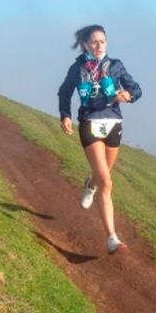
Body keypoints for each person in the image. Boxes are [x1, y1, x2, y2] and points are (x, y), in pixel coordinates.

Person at [57, 24, 142, 254]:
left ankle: (89, 185)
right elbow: (64, 92)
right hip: (90, 123)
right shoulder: (78, 68)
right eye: (94, 42)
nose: (99, 45)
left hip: (114, 123)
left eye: (103, 41)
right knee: (107, 182)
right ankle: (112, 239)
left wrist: (129, 95)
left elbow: (136, 89)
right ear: (85, 44)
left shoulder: (115, 65)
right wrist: (65, 115)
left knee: (102, 176)